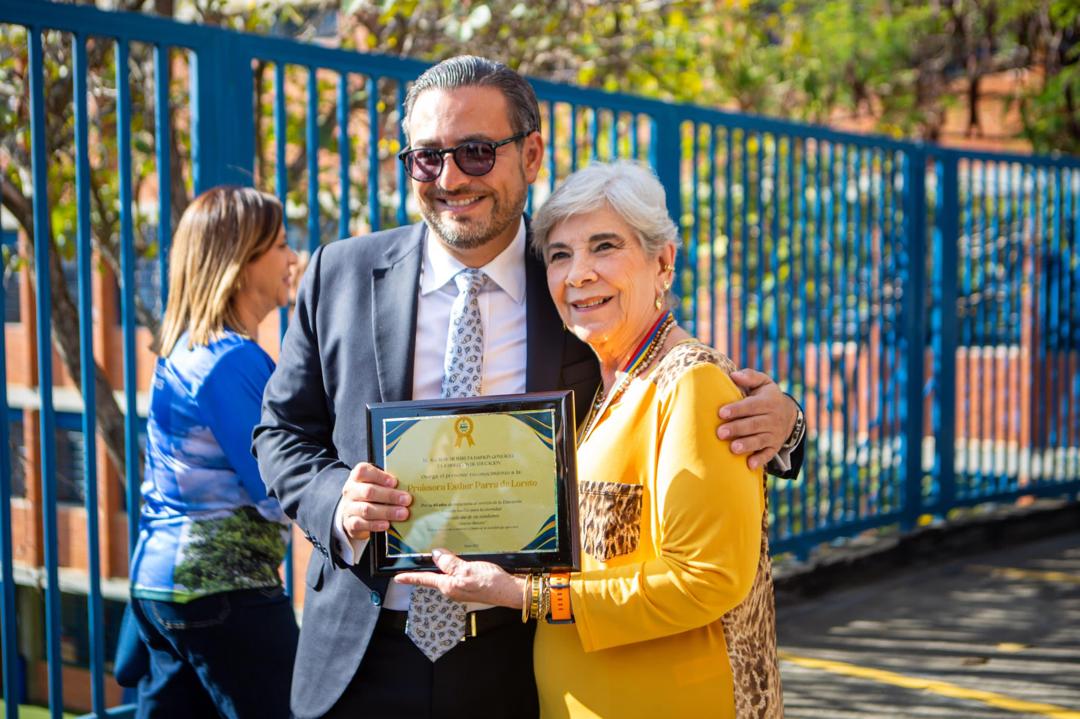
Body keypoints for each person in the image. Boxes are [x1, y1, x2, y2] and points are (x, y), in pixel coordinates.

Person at [254, 55, 802, 719]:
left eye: (477, 152)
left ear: (531, 152)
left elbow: (672, 389)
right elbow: (281, 433)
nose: (451, 178)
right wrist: (334, 501)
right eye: (427, 157)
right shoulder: (339, 273)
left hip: (522, 660)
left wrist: (787, 424)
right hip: (361, 656)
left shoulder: (578, 287)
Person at [396, 161, 782, 718]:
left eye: (604, 247)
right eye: (560, 255)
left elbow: (705, 580)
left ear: (663, 261)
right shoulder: (608, 382)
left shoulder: (689, 383)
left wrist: (523, 595)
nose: (578, 274)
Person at [128, 185, 300, 719]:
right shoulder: (232, 359)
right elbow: (277, 486)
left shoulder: (185, 349)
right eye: (279, 246)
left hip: (163, 588)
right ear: (241, 262)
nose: (292, 259)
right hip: (223, 589)